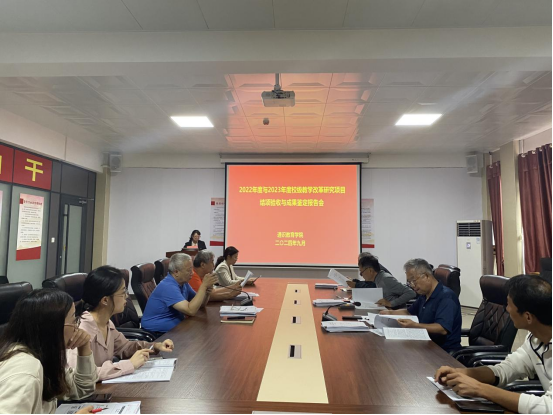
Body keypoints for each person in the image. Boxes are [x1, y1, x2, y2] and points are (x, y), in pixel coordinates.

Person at [435, 275, 552, 414]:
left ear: (528, 317)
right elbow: (506, 369)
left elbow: (548, 407)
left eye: (509, 304)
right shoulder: (534, 339)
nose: (506, 309)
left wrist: (480, 389)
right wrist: (464, 373)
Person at [68, 266, 175, 381]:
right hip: (88, 391)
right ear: (105, 300)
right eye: (123, 292)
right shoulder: (82, 328)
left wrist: (155, 346)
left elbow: (125, 347)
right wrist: (129, 364)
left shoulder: (107, 323)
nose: (127, 296)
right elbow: (79, 374)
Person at [0, 289, 98, 414]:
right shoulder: (26, 369)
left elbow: (81, 388)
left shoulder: (43, 357)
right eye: (74, 321)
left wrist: (84, 346)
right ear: (53, 327)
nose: (76, 327)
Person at [380, 258, 462, 353]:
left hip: (443, 351)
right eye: (409, 282)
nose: (412, 285)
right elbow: (409, 312)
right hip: (425, 344)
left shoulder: (446, 297)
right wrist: (389, 312)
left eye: (413, 281)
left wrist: (414, 325)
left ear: (426, 276)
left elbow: (442, 328)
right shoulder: (424, 294)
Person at [141, 253, 218, 334]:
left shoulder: (183, 283)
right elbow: (190, 310)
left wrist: (207, 292)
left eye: (192, 269)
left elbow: (200, 305)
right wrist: (203, 286)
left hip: (176, 326)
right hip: (157, 332)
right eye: (189, 270)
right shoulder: (168, 286)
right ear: (176, 272)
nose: (192, 273)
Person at [348, 253, 416, 309]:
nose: (361, 274)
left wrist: (390, 303)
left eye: (361, 272)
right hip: (386, 310)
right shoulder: (376, 279)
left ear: (370, 270)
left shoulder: (386, 279)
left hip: (396, 313)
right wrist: (358, 296)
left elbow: (411, 293)